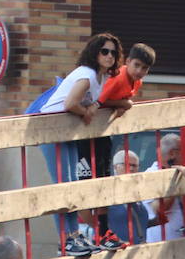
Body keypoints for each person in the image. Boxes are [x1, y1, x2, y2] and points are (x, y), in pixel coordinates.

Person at [39, 32, 123, 247]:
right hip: (52, 129)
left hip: (67, 131)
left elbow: (101, 100)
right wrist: (85, 111)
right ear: (95, 53)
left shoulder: (101, 77)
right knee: (64, 184)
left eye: (113, 52)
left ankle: (74, 235)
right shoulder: (87, 75)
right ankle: (67, 238)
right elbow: (69, 104)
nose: (109, 56)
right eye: (104, 51)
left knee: (72, 183)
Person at [97, 42, 154, 116]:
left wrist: (121, 106)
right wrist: (122, 103)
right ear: (128, 61)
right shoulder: (118, 78)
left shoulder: (138, 82)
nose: (139, 71)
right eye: (136, 65)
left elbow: (123, 101)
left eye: (144, 68)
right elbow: (96, 101)